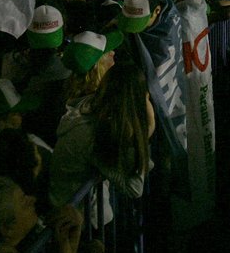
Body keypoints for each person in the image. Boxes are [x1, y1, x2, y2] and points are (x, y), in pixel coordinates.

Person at [49, 60, 156, 214]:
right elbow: (135, 188)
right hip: (75, 216)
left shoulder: (93, 108)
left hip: (74, 207)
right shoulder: (91, 133)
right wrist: (147, 131)